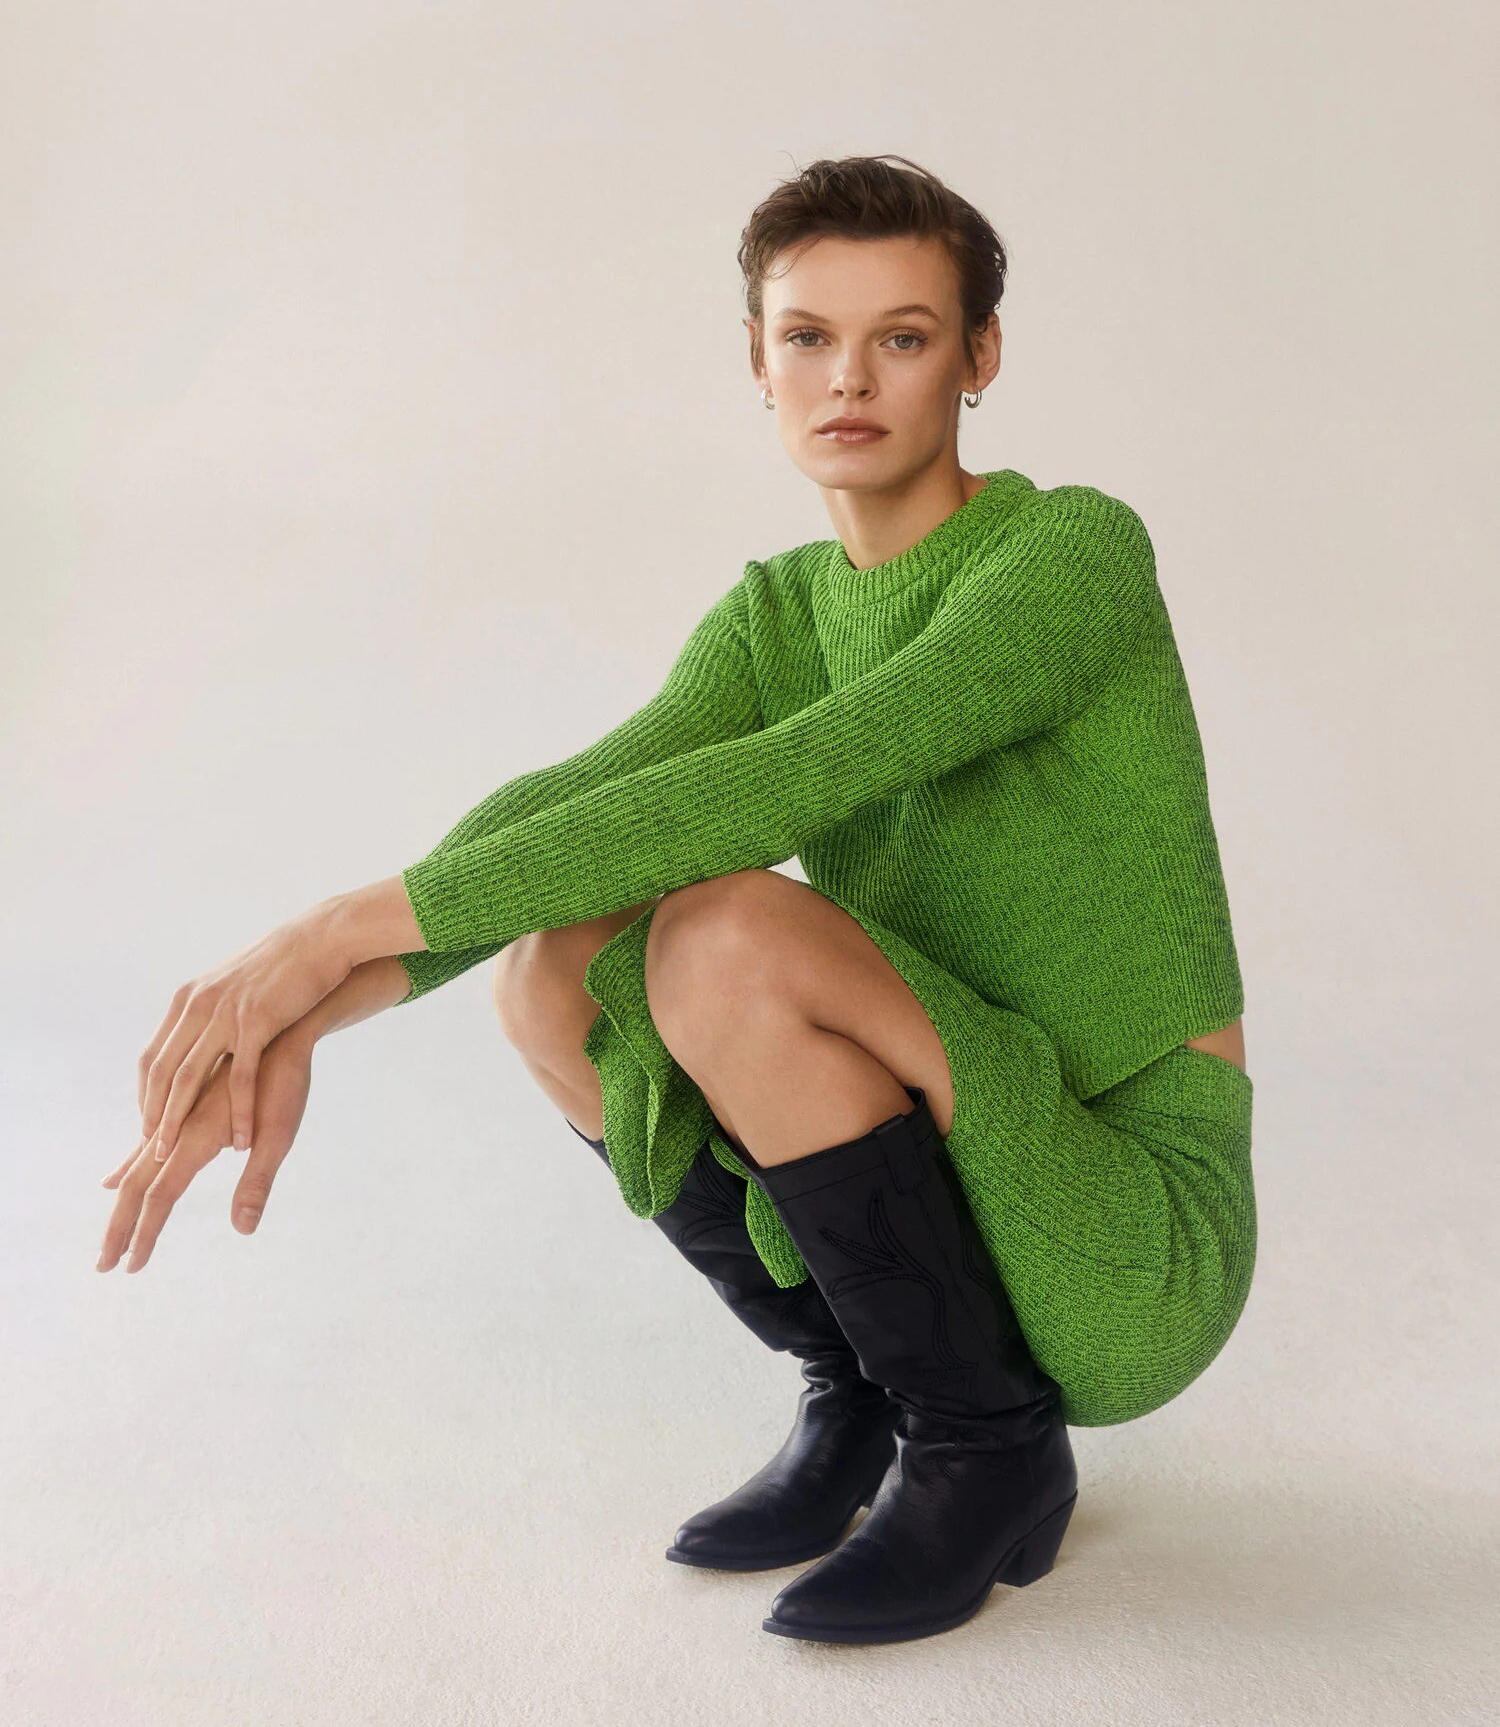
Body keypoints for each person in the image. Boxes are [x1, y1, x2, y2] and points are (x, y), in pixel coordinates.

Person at [98, 154, 1255, 1649]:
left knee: (721, 931)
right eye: (807, 336)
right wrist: (310, 1008)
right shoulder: (781, 611)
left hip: (1124, 1225)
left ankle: (987, 1444)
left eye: (903, 336)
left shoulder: (1070, 552)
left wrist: (328, 934)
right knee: (553, 965)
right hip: (958, 1164)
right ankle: (864, 1384)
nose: (849, 378)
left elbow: (801, 775)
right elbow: (573, 808)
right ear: (758, 363)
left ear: (979, 357)